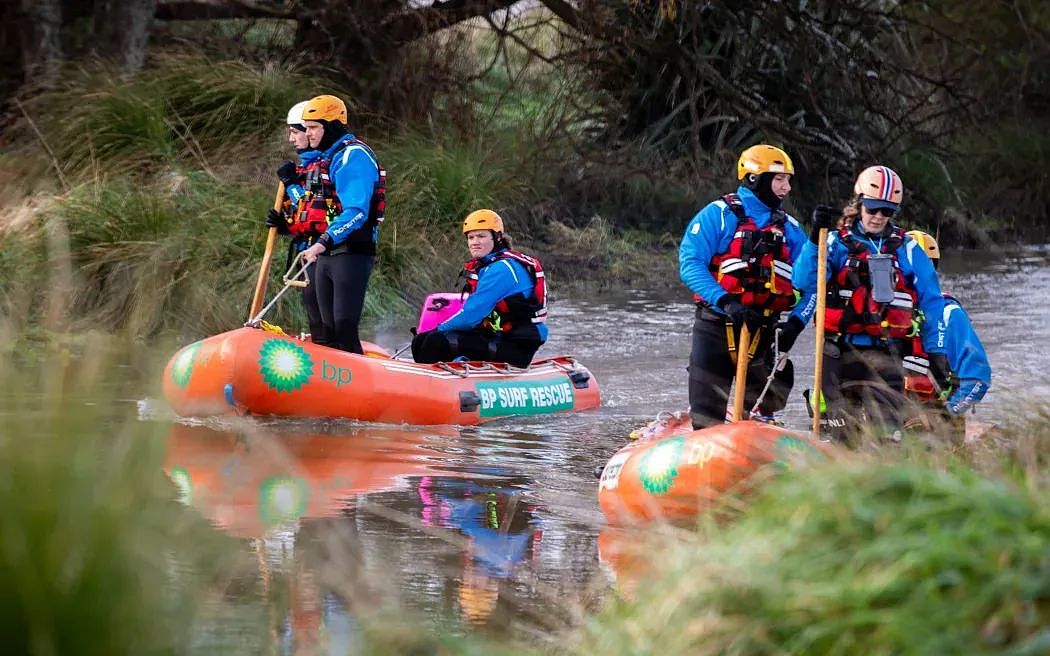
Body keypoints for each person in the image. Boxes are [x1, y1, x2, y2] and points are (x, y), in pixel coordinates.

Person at [794, 165, 948, 444]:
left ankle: (886, 471)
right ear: (860, 203)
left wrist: (936, 350)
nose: (878, 217)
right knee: (841, 434)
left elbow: (933, 301)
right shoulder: (834, 242)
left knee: (890, 436)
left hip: (887, 352)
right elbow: (804, 281)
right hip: (837, 352)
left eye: (886, 211)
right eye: (873, 209)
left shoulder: (907, 248)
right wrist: (814, 237)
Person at [679, 144, 815, 429]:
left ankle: (760, 431)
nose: (787, 188)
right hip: (716, 325)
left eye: (788, 180)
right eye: (779, 179)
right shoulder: (717, 215)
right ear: (755, 179)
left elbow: (814, 282)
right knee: (705, 417)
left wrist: (797, 322)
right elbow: (690, 264)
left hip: (765, 332)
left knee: (760, 415)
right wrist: (725, 301)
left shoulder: (790, 229)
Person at [297, 94, 387, 354]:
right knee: (325, 331)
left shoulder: (353, 156)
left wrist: (324, 241)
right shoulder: (327, 157)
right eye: (307, 127)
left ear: (332, 126)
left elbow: (357, 211)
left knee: (343, 326)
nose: (308, 133)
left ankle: (359, 388)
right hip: (328, 251)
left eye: (314, 127)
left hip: (351, 252)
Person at [411, 209, 547, 368]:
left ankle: (436, 386)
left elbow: (471, 316)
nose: (475, 242)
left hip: (516, 346)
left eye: (481, 236)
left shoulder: (502, 268)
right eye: (471, 237)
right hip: (497, 336)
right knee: (420, 340)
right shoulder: (488, 266)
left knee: (435, 341)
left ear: (497, 238)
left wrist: (438, 329)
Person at [902, 230, 991, 433]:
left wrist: (947, 414)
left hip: (935, 424)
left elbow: (978, 379)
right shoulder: (884, 313)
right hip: (890, 418)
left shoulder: (951, 315)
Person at [263, 100, 326, 340]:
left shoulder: (323, 165)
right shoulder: (307, 166)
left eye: (295, 132)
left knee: (324, 317)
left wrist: (290, 185)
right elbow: (303, 214)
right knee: (313, 314)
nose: (292, 139)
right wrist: (285, 226)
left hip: (324, 251)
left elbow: (313, 209)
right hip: (307, 250)